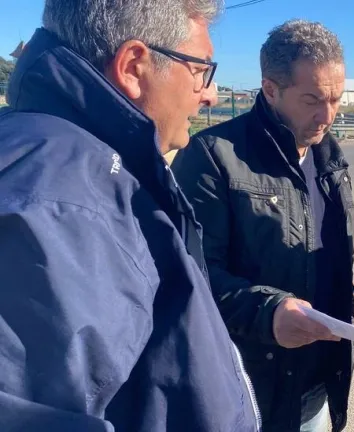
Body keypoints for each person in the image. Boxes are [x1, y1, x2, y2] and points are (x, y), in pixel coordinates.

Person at [0, 1, 261, 431]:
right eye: (200, 70)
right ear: (134, 67)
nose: (210, 94)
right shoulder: (64, 206)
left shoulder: (84, 162)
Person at [171, 19, 354, 432]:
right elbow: (190, 275)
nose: (327, 115)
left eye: (336, 99)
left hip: (316, 384)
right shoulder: (213, 157)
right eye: (312, 99)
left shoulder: (331, 160)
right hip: (246, 392)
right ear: (271, 90)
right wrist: (268, 313)